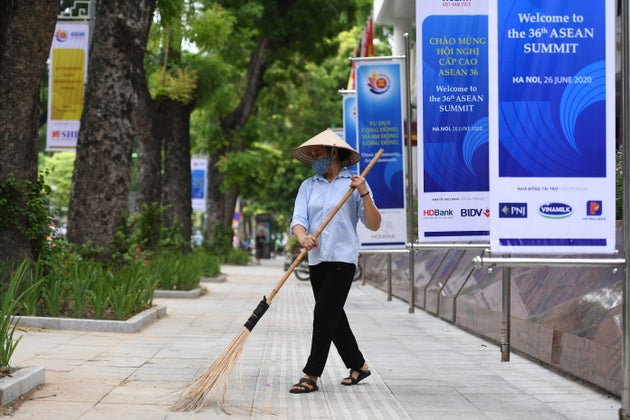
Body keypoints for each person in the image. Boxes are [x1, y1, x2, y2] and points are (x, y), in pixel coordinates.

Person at [288, 128, 381, 394]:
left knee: (323, 313)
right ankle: (358, 365)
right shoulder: (308, 186)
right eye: (312, 155)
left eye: (319, 154)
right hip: (317, 260)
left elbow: (374, 224)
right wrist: (303, 238)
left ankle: (311, 374)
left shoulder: (354, 183)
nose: (314, 159)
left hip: (343, 258)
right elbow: (298, 221)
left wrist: (363, 192)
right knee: (334, 316)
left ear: (334, 153)